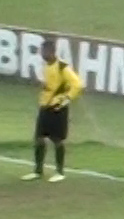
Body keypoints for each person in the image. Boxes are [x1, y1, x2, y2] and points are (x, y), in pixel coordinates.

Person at [20, 40, 82, 183]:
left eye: (44, 51)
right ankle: (37, 170)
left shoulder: (63, 67)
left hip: (57, 108)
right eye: (41, 52)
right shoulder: (46, 67)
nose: (42, 54)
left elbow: (77, 84)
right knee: (39, 138)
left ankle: (60, 171)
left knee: (57, 139)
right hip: (44, 106)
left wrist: (66, 99)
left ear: (51, 52)